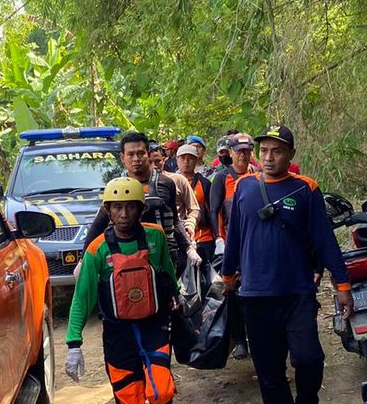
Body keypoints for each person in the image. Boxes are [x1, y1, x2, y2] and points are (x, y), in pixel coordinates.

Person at [221, 124, 354, 404]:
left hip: (296, 291)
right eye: (263, 150)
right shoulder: (244, 188)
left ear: (291, 155)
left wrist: (342, 285)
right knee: (269, 370)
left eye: (276, 151)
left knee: (310, 358)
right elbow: (234, 235)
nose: (268, 157)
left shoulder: (306, 189)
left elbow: (325, 241)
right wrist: (227, 275)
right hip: (255, 295)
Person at [66, 178, 179, 404]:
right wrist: (73, 343)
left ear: (141, 209)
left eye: (131, 206)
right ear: (108, 210)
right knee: (129, 394)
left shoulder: (154, 238)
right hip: (118, 334)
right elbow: (83, 297)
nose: (124, 214)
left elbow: (167, 272)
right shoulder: (97, 250)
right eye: (117, 207)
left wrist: (178, 298)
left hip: (153, 325)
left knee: (161, 387)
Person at [84, 132, 199, 276]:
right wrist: (83, 260)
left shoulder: (166, 183)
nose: (136, 159)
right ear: (122, 158)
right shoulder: (116, 188)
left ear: (148, 154)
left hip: (163, 257)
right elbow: (100, 222)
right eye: (130, 154)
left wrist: (188, 248)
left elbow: (174, 220)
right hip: (127, 259)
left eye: (140, 153)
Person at [208, 133, 258, 359]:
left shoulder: (257, 175)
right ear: (230, 152)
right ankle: (240, 339)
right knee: (234, 293)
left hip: (254, 244)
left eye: (247, 151)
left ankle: (258, 336)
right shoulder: (222, 178)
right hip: (230, 244)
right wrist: (219, 239)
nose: (243, 156)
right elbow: (214, 209)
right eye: (239, 151)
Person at [176, 143, 215, 294]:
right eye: (183, 158)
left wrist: (217, 237)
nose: (186, 162)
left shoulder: (204, 183)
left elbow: (213, 211)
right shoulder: (169, 182)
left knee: (206, 280)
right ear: (177, 159)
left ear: (196, 160)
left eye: (190, 158)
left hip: (203, 238)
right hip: (179, 239)